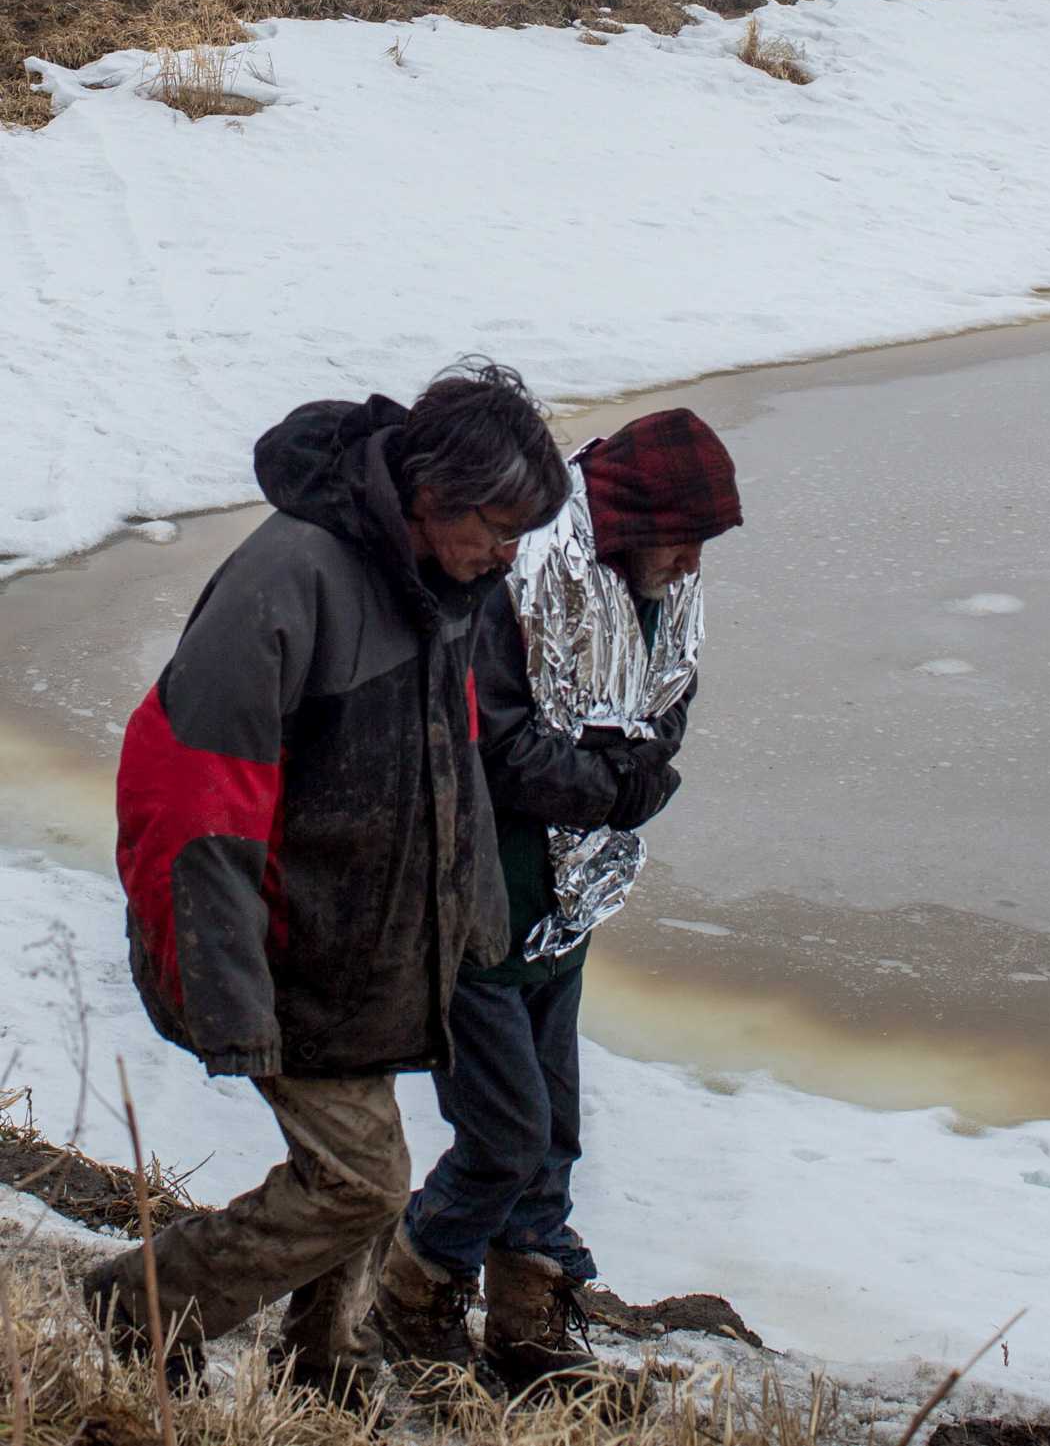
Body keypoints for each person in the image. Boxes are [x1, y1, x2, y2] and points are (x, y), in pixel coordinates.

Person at [83, 363, 571, 1409]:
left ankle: (323, 1363)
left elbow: (455, 760)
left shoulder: (441, 582)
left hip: (372, 944)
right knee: (363, 1181)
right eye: (497, 523)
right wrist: (225, 992)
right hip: (278, 944)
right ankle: (142, 1303)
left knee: (358, 1176)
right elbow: (189, 800)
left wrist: (473, 915)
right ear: (433, 493)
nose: (508, 552)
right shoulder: (288, 579)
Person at [374, 410, 743, 1399]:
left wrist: (640, 771)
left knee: (553, 1129)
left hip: (563, 899)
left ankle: (525, 1315)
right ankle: (412, 1287)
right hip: (478, 898)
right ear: (634, 515)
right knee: (504, 1132)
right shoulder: (523, 573)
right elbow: (489, 740)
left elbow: (666, 696)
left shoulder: (656, 581)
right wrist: (611, 785)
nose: (691, 556)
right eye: (683, 533)